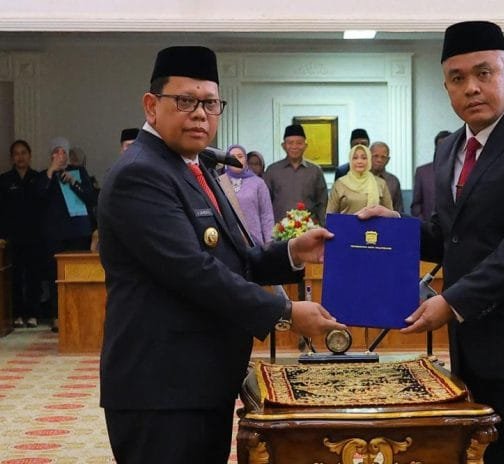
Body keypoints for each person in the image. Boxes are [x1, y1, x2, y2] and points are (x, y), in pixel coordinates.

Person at [358, 21, 504, 464]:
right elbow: (452, 237)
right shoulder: (449, 149)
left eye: (484, 73)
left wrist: (451, 302)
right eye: (457, 78)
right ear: (446, 86)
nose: (471, 87)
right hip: (475, 352)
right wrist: (397, 230)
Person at [97, 46, 345, 464]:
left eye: (210, 103)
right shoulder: (141, 173)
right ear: (151, 106)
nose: (200, 114)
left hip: (199, 380)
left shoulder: (196, 166)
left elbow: (235, 257)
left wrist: (292, 252)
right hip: (160, 389)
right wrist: (285, 312)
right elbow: (194, 272)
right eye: (186, 101)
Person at [36, 136, 97, 332]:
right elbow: (38, 197)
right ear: (51, 155)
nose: (60, 155)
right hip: (55, 234)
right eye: (56, 152)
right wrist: (51, 171)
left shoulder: (78, 172)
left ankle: (81, 314)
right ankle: (58, 316)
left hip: (78, 232)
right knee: (56, 276)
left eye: (63, 152)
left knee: (80, 273)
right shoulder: (44, 175)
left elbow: (91, 198)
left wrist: (73, 182)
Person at [0, 140, 42, 329]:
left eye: (23, 152)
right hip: (13, 237)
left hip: (34, 235)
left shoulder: (37, 178)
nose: (20, 157)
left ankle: (32, 314)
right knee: (15, 277)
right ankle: (16, 314)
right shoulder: (4, 180)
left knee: (33, 276)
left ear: (29, 155)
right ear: (12, 158)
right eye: (16, 153)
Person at [265, 124, 328, 226]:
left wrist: (321, 225)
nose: (294, 147)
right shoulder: (272, 171)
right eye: (290, 143)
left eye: (299, 143)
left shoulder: (315, 171)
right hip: (279, 229)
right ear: (283, 146)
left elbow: (322, 202)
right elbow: (265, 203)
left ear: (305, 146)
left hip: (309, 228)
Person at [222, 144, 274, 244]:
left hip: (253, 241)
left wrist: (269, 242)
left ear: (245, 160)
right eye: (232, 157)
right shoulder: (219, 181)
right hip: (227, 241)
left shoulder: (258, 183)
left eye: (240, 156)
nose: (236, 160)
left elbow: (266, 215)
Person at [326, 144, 392, 214]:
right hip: (345, 221)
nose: (359, 161)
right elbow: (330, 213)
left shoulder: (381, 183)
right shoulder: (340, 184)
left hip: (375, 222)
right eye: (355, 158)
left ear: (369, 160)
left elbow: (390, 214)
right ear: (350, 161)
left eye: (364, 158)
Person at [411, 130, 451, 220]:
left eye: (447, 146)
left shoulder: (460, 171)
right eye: (440, 146)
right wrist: (423, 223)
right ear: (435, 148)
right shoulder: (422, 172)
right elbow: (416, 205)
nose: (443, 150)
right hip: (427, 223)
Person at [369, 141, 404, 214]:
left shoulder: (393, 181)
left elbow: (398, 210)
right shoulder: (359, 178)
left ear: (388, 160)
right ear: (368, 156)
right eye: (375, 156)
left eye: (383, 157)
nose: (379, 160)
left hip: (386, 220)